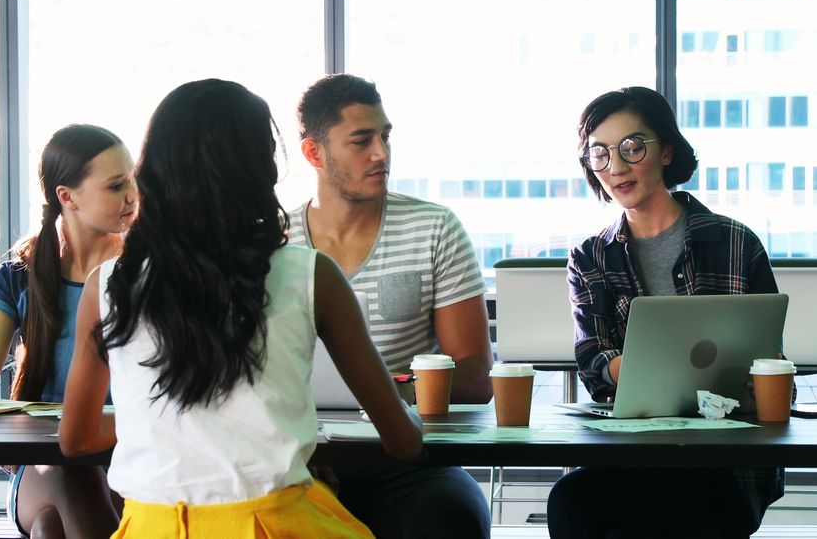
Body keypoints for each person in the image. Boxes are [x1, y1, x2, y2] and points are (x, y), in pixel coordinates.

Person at [58, 78, 423, 538]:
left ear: (153, 170)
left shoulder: (108, 284)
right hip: (276, 524)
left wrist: (162, 420)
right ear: (261, 168)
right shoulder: (311, 274)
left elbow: (76, 439)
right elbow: (404, 444)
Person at [546, 87, 784, 538]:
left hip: (721, 460)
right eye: (600, 154)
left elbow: (770, 366)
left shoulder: (736, 243)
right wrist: (644, 371)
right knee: (570, 500)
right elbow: (594, 365)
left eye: (631, 147)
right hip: (629, 453)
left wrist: (754, 386)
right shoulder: (590, 257)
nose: (615, 167)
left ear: (667, 151)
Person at [287, 73, 493, 538]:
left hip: (403, 458)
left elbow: (476, 375)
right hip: (298, 457)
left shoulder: (434, 227)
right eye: (361, 141)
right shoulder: (277, 240)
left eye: (385, 137)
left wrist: (387, 394)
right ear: (314, 153)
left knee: (453, 515)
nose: (381, 153)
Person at [0, 124, 135, 538]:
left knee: (50, 528)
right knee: (71, 476)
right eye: (117, 186)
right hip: (47, 464)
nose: (133, 196)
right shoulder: (18, 276)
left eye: (134, 180)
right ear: (67, 197)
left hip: (130, 456)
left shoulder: (148, 271)